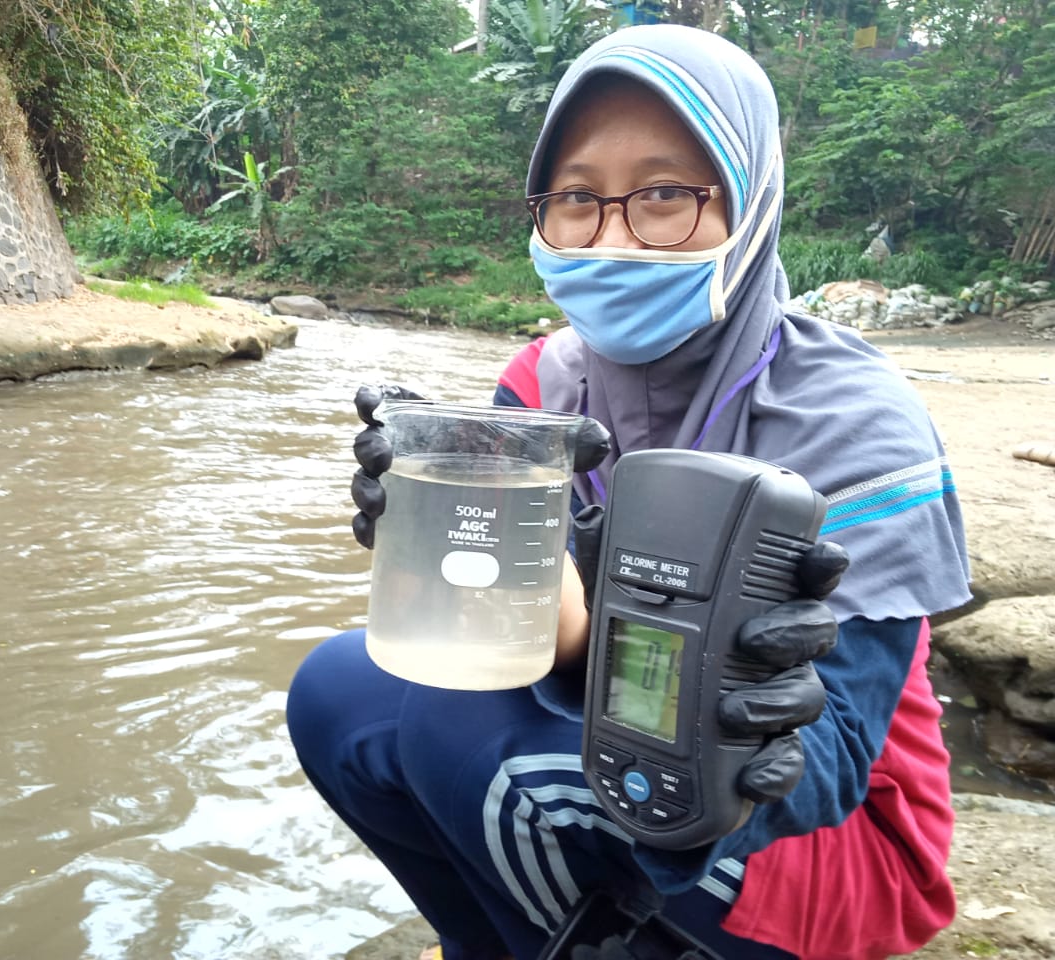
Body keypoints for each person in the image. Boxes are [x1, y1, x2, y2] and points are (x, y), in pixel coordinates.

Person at [287, 23, 971, 960]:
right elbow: (527, 630)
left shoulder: (854, 423)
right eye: (575, 198)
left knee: (455, 720)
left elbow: (826, 768)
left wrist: (667, 673)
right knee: (337, 690)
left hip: (825, 843)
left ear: (752, 202)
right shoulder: (541, 386)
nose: (610, 235)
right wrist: (431, 543)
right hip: (604, 744)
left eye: (662, 194)